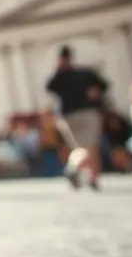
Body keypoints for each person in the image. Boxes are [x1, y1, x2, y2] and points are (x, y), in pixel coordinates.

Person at [45, 45, 109, 191]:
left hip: (69, 115)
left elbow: (49, 88)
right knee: (89, 147)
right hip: (84, 114)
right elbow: (103, 87)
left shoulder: (71, 74)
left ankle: (89, 175)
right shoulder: (84, 73)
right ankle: (80, 170)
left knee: (82, 147)